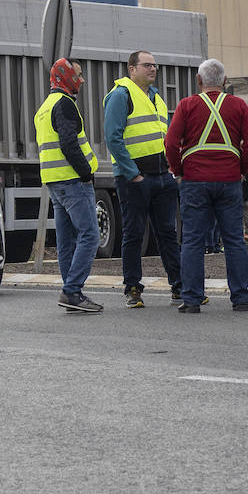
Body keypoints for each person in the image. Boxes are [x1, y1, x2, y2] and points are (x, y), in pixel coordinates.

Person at [164, 58, 248, 314]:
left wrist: (178, 170)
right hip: (229, 181)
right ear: (225, 81)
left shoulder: (187, 105)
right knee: (234, 240)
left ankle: (192, 299)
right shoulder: (238, 105)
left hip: (195, 181)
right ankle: (240, 297)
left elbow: (171, 143)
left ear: (198, 81)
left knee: (193, 241)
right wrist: (241, 170)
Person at [103, 49, 181, 308]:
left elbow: (166, 136)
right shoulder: (120, 95)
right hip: (135, 179)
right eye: (147, 65)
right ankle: (133, 288)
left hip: (161, 176)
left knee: (168, 233)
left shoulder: (157, 98)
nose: (153, 69)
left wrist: (171, 169)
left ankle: (179, 286)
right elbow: (113, 138)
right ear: (132, 68)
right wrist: (132, 173)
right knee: (134, 234)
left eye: (155, 65)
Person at [33, 58, 102, 314]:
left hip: (54, 181)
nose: (82, 80)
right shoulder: (64, 105)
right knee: (90, 235)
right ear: (66, 77)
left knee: (66, 240)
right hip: (73, 181)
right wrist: (86, 173)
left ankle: (71, 291)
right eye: (79, 75)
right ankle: (72, 291)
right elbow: (69, 144)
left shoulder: (45, 107)